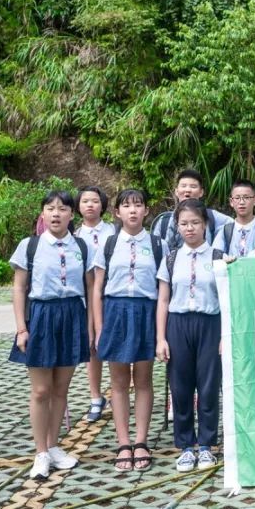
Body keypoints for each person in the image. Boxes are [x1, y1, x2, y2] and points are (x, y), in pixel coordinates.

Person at [9, 190, 93, 479]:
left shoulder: (81, 246)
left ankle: (55, 446)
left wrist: (91, 328)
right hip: (41, 317)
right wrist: (22, 327)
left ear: (72, 214)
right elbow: (19, 288)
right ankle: (40, 452)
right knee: (41, 390)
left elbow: (91, 289)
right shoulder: (29, 246)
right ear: (42, 214)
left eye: (62, 209)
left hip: (72, 316)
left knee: (61, 389)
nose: (56, 213)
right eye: (50, 208)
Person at [156, 199, 230, 472]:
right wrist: (161, 338)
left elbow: (226, 301)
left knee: (209, 386)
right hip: (178, 325)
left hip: (210, 325)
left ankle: (207, 445)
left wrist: (225, 335)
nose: (190, 228)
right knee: (181, 386)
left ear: (206, 224)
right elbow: (163, 300)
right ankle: (186, 446)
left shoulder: (219, 258)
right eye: (184, 224)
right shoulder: (172, 257)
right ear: (177, 226)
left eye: (195, 223)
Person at [91, 189, 163, 472]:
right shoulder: (108, 244)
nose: (132, 210)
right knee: (119, 382)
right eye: (126, 206)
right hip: (115, 313)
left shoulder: (158, 244)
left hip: (146, 311)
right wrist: (99, 327)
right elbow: (97, 289)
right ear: (117, 213)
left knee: (144, 380)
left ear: (146, 211)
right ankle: (123, 443)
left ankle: (142, 441)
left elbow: (163, 289)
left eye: (138, 205)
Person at [74, 185, 115, 422]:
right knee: (92, 347)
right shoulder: (75, 236)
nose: (90, 205)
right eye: (85, 201)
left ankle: (118, 393)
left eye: (95, 201)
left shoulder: (114, 231)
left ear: (103, 205)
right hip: (86, 296)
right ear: (78, 207)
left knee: (115, 345)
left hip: (113, 294)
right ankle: (95, 397)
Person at [150, 169, 231, 252]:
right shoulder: (164, 221)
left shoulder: (212, 216)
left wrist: (217, 251)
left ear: (201, 192)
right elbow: (155, 250)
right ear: (176, 191)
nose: (187, 190)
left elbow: (234, 227)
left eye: (193, 186)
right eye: (183, 186)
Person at [212, 180, 255, 258]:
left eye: (246, 197)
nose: (241, 202)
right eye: (237, 198)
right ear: (231, 202)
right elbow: (215, 253)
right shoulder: (225, 230)